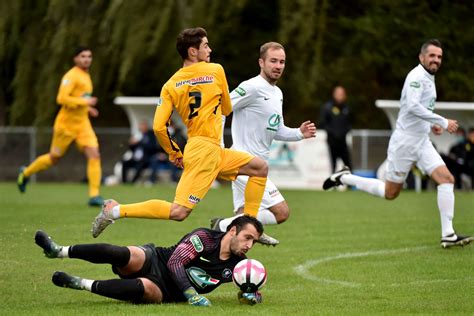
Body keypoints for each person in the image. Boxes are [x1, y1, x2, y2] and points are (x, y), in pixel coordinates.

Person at [92, 27, 271, 244]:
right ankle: (115, 211)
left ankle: (249, 226)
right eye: (205, 45)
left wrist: (173, 152)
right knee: (179, 212)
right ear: (193, 52)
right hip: (205, 151)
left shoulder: (170, 84)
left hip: (204, 148)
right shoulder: (215, 70)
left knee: (259, 168)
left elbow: (158, 126)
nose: (210, 49)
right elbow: (226, 109)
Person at [323, 39, 472, 248]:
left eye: (439, 56)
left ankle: (448, 234)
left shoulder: (429, 77)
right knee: (390, 193)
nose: (436, 60)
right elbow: (411, 107)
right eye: (432, 56)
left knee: (446, 179)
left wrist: (431, 125)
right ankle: (344, 177)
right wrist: (442, 121)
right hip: (404, 143)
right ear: (422, 57)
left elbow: (419, 110)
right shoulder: (417, 76)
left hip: (421, 141)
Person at [210, 42, 316, 244]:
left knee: (243, 223)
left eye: (282, 62)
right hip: (244, 163)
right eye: (273, 61)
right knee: (281, 212)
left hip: (257, 166)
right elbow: (221, 108)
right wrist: (220, 147)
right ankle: (223, 225)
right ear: (261, 62)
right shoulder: (251, 87)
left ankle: (235, 241)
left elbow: (277, 130)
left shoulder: (278, 93)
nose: (278, 66)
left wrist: (299, 133)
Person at [35, 215, 264, 306]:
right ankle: (59, 251)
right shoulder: (204, 238)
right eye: (247, 238)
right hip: (158, 260)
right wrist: (191, 294)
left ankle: (79, 283)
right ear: (233, 231)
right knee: (124, 254)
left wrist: (251, 294)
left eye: (254, 241)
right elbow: (175, 263)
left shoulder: (239, 266)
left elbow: (244, 288)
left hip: (167, 291)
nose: (249, 245)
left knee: (143, 289)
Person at [17, 47, 103, 206]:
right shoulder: (71, 76)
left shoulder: (86, 75)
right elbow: (62, 98)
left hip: (83, 124)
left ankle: (94, 196)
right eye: (83, 56)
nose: (87, 59)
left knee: (94, 154)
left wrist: (88, 108)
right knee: (53, 158)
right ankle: (26, 172)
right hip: (66, 125)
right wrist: (85, 102)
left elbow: (78, 98)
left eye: (89, 56)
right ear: (75, 59)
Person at [320, 86, 352, 172]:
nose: (340, 96)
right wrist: (333, 133)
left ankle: (350, 184)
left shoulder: (346, 108)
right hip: (332, 141)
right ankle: (333, 184)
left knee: (348, 164)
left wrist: (344, 132)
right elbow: (322, 123)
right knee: (333, 165)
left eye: (342, 94)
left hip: (343, 141)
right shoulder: (327, 107)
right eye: (338, 94)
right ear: (334, 94)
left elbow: (350, 123)